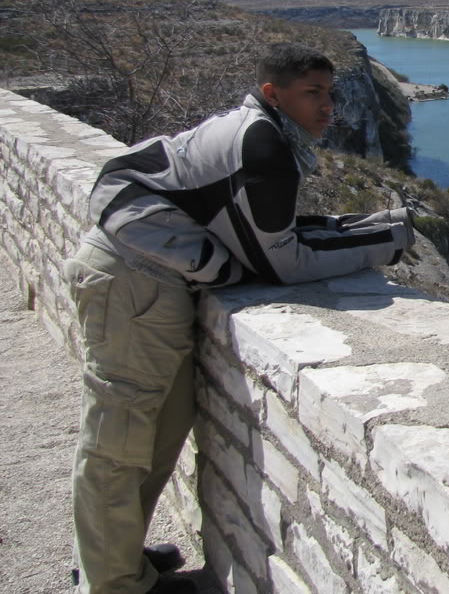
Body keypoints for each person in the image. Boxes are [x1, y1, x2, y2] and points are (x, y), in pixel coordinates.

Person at [63, 43, 415, 594]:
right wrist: (383, 243)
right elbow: (285, 263)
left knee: (159, 429)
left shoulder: (258, 127)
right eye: (313, 94)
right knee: (120, 438)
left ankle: (119, 557)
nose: (329, 108)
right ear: (275, 94)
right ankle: (111, 583)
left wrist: (360, 230)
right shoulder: (265, 145)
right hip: (132, 282)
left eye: (331, 93)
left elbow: (258, 232)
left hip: (146, 281)